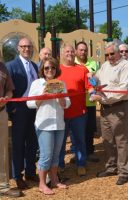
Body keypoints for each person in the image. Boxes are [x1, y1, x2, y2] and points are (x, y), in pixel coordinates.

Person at [92, 41, 128, 185]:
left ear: (118, 53)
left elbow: (123, 91)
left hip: (119, 107)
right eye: (107, 54)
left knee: (121, 141)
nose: (109, 57)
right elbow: (97, 78)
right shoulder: (104, 66)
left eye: (112, 54)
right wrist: (93, 77)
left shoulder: (126, 66)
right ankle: (111, 167)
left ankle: (123, 171)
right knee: (108, 140)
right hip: (104, 109)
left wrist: (103, 97)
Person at [27, 57, 70, 195]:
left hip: (59, 124)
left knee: (56, 155)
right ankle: (42, 184)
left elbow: (67, 104)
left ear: (56, 69)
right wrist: (42, 97)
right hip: (44, 124)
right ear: (42, 70)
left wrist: (60, 97)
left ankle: (55, 179)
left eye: (52, 67)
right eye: (46, 68)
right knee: (46, 155)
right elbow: (29, 103)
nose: (50, 70)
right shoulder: (37, 83)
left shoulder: (61, 83)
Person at [6, 37, 38, 189]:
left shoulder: (35, 66)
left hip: (34, 109)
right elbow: (7, 90)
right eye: (23, 46)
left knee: (33, 143)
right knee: (18, 144)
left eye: (29, 46)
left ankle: (30, 172)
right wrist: (11, 110)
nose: (27, 49)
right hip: (19, 110)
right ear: (18, 48)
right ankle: (18, 176)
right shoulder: (10, 66)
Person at [59, 43, 94, 176]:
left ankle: (81, 163)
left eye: (72, 52)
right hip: (61, 113)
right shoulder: (56, 70)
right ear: (62, 53)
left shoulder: (82, 69)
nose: (70, 54)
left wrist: (92, 94)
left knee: (80, 140)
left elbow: (89, 86)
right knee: (60, 142)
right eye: (67, 51)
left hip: (79, 113)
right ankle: (60, 165)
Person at [75, 41, 99, 162]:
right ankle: (78, 153)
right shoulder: (72, 63)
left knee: (89, 128)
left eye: (85, 50)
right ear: (76, 51)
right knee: (77, 129)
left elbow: (97, 80)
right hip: (77, 102)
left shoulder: (93, 63)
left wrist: (94, 77)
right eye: (81, 50)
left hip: (90, 101)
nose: (83, 52)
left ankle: (89, 152)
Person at [0, 60, 22, 198]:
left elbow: (9, 89)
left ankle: (2, 186)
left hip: (1, 112)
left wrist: (6, 98)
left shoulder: (2, 67)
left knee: (2, 151)